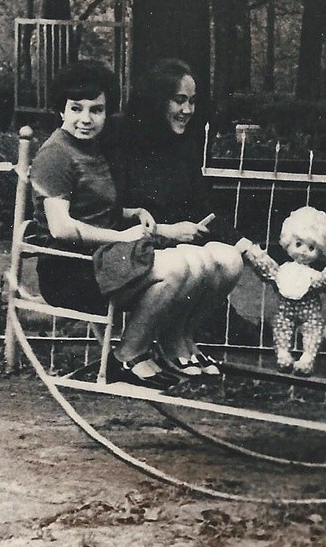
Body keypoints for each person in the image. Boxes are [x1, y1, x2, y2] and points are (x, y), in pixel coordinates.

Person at [28, 60, 200, 390]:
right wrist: (122, 237)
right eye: (76, 108)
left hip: (101, 260)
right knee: (177, 268)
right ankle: (128, 354)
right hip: (68, 269)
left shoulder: (92, 150)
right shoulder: (56, 155)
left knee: (190, 264)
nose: (86, 119)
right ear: (60, 110)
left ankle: (137, 351)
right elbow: (62, 228)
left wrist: (132, 213)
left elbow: (94, 207)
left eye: (97, 110)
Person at [107, 58, 250, 376]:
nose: (187, 110)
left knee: (229, 261)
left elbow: (203, 206)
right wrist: (166, 231)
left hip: (174, 246)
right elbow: (111, 210)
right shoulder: (121, 139)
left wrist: (245, 244)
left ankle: (180, 339)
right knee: (195, 261)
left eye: (193, 101)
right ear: (158, 100)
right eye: (179, 100)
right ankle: (135, 348)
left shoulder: (181, 144)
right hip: (133, 245)